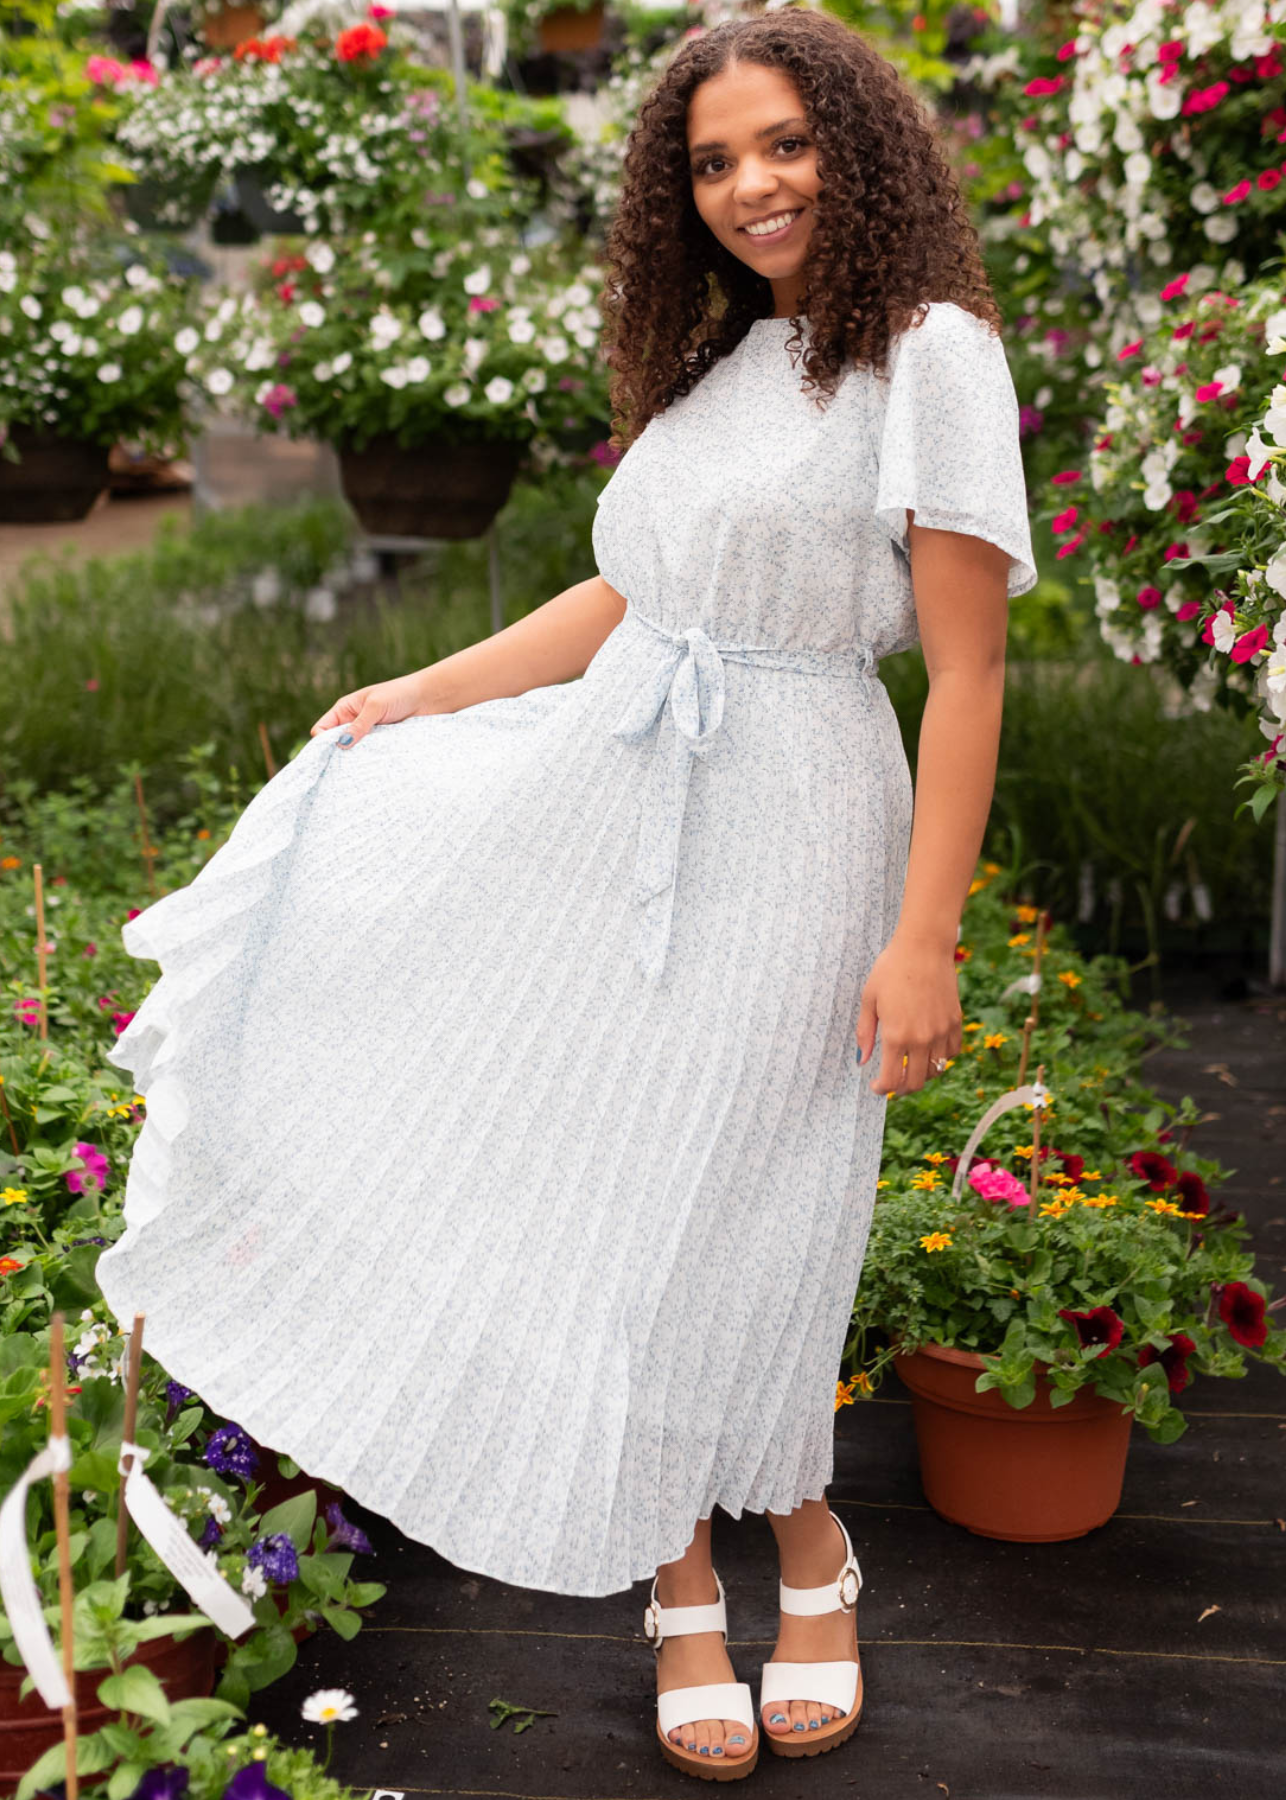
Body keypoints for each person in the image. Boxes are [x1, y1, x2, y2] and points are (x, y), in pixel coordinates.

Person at [93, 6, 1036, 1784]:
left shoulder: (931, 356)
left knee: (750, 1197)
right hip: (606, 796)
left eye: (782, 142)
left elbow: (970, 677)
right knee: (605, 1177)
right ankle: (678, 1574)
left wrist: (926, 939)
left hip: (798, 811)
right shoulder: (718, 370)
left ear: (859, 143)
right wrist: (426, 692)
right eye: (709, 161)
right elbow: (625, 599)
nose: (749, 184)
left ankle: (809, 1544)